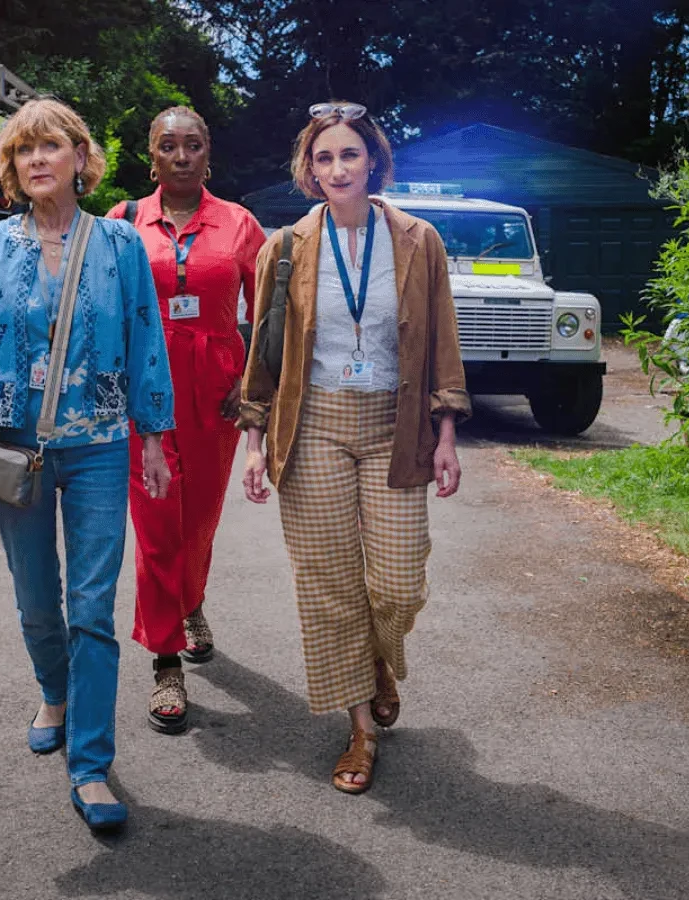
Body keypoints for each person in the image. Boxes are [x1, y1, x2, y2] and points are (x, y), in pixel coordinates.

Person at [0, 98, 175, 832]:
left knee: (91, 608)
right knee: (37, 600)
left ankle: (90, 766)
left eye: (51, 146)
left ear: (79, 158)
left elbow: (144, 337)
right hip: (14, 447)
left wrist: (153, 434)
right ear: (10, 167)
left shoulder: (122, 247)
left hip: (98, 445)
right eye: (23, 150)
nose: (38, 159)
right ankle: (53, 693)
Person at [239, 100, 469, 795]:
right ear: (308, 170)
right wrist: (254, 441)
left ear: (374, 161)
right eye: (323, 157)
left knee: (398, 581)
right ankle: (361, 727)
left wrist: (447, 430)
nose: (337, 167)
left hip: (396, 424)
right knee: (329, 586)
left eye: (349, 154)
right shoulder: (284, 247)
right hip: (310, 426)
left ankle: (377, 660)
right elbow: (263, 355)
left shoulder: (417, 240)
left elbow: (443, 340)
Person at [107, 106, 265, 735]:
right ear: (151, 156)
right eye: (168, 145)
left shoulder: (240, 224)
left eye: (192, 145)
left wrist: (253, 387)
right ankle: (166, 658)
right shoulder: (121, 225)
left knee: (198, 518)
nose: (180, 155)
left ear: (208, 155)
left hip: (214, 393)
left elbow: (269, 312)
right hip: (145, 393)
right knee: (155, 522)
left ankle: (190, 600)